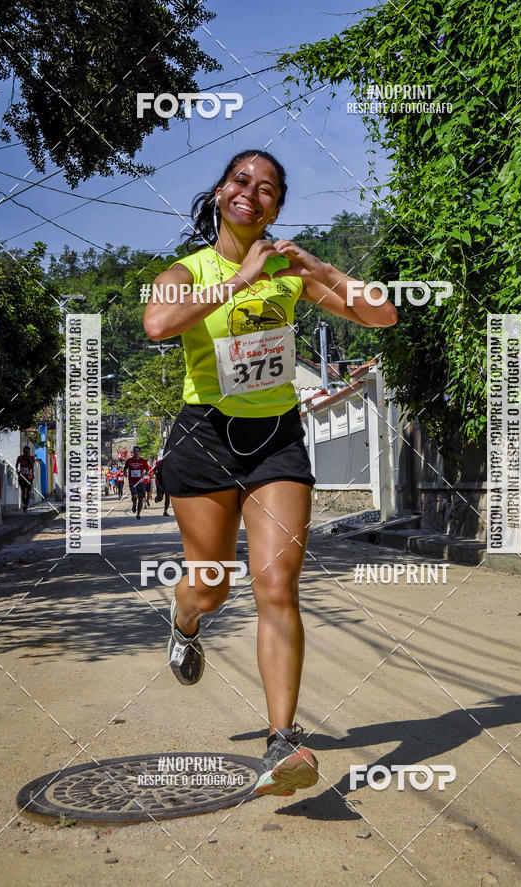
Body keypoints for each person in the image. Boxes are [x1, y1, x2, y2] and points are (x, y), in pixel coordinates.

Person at [143, 149, 397, 796]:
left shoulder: (289, 272)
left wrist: (321, 268)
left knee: (277, 583)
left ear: (277, 207)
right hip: (204, 440)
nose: (252, 193)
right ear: (220, 192)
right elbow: (158, 324)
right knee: (210, 587)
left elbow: (381, 313)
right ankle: (186, 619)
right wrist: (240, 279)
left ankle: (281, 739)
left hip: (276, 441)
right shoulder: (186, 271)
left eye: (267, 189)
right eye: (241, 181)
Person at [124, 447, 150, 520]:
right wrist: (125, 473)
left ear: (139, 452)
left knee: (141, 499)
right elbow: (125, 468)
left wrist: (146, 472)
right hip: (132, 481)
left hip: (141, 482)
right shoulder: (129, 461)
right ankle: (134, 504)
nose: (136, 452)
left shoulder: (143, 461)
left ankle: (138, 514)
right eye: (135, 451)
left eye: (137, 451)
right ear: (133, 452)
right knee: (135, 496)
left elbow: (147, 469)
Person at [16, 445, 35, 512]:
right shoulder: (20, 457)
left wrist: (28, 457)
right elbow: (17, 464)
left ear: (29, 452)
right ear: (23, 451)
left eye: (27, 452)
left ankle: (26, 502)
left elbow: (32, 465)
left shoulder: (32, 457)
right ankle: (24, 504)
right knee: (24, 490)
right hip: (22, 477)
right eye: (25, 452)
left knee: (28, 491)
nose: (26, 453)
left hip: (29, 477)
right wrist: (17, 470)